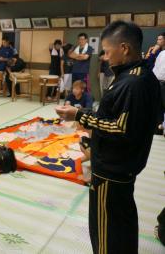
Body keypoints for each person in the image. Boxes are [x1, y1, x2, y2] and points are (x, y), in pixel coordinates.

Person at [55, 21, 162, 254]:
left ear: (124, 48)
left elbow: (121, 129)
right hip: (122, 169)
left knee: (106, 232)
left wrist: (80, 115)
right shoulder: (138, 76)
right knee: (121, 224)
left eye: (107, 50)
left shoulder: (133, 83)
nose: (104, 56)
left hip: (112, 171)